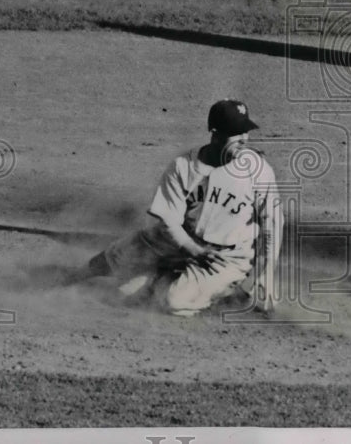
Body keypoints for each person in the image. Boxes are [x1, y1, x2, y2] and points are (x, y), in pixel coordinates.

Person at [69, 99, 282, 316]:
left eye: (245, 132)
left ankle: (229, 292)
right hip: (179, 241)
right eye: (236, 133)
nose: (244, 139)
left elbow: (272, 223)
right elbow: (169, 220)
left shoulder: (258, 171)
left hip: (225, 256)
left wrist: (266, 275)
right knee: (120, 259)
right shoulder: (183, 166)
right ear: (215, 133)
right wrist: (192, 249)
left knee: (172, 301)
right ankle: (69, 277)